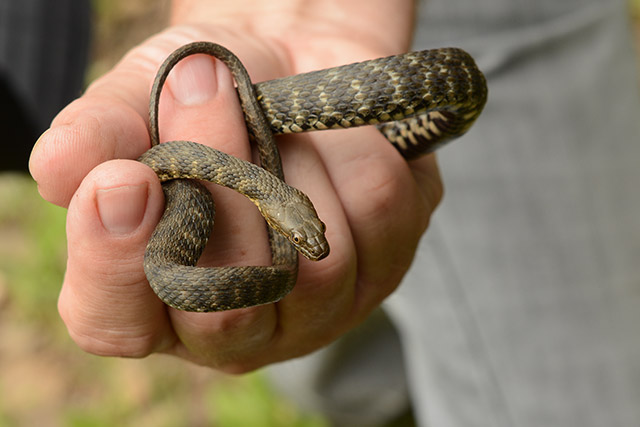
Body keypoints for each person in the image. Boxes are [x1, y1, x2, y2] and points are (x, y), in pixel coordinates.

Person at [26, 0, 640, 426]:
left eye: (304, 229)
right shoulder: (209, 178)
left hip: (501, 23)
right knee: (332, 358)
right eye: (303, 228)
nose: (308, 239)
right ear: (278, 206)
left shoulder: (242, 180)